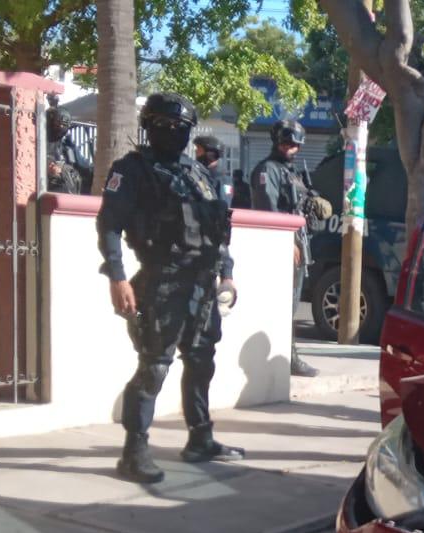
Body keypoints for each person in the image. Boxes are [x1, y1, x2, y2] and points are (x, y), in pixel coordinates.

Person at [97, 92, 241, 484]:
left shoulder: (198, 174)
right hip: (161, 281)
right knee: (155, 366)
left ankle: (200, 438)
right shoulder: (133, 170)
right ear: (150, 126)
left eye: (181, 129)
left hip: (202, 284)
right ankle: (134, 451)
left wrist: (226, 273)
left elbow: (218, 231)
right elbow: (109, 224)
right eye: (166, 127)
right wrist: (117, 276)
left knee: (201, 359)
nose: (174, 134)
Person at [250, 118, 326, 377]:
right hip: (282, 246)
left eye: (295, 144)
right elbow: (269, 212)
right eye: (287, 142)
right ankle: (286, 358)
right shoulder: (267, 171)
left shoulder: (292, 173)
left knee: (290, 305)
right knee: (281, 305)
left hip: (299, 242)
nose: (291, 148)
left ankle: (286, 356)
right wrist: (288, 241)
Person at [46, 107, 93, 195]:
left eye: (64, 125)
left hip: (67, 184)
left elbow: (81, 165)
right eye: (57, 124)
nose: (61, 127)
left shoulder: (66, 143)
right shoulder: (39, 137)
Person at [192, 134, 233, 205]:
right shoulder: (200, 171)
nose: (196, 152)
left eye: (199, 149)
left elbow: (223, 204)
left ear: (210, 154)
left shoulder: (222, 178)